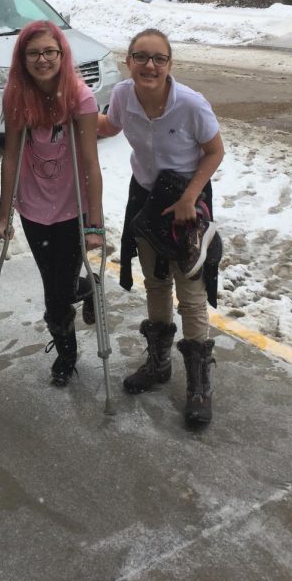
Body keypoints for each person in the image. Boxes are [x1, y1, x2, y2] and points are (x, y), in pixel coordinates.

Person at [97, 28, 225, 426]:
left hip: (188, 201)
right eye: (141, 57)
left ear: (170, 65)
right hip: (147, 198)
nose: (149, 66)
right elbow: (109, 126)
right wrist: (71, 114)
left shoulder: (190, 104)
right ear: (128, 61)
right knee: (155, 282)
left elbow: (215, 151)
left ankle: (199, 386)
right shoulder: (121, 95)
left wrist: (190, 197)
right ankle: (158, 364)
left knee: (190, 291)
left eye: (159, 59)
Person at [0, 20, 103, 387]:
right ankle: (87, 288)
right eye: (34, 53)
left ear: (62, 54)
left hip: (72, 209)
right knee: (54, 282)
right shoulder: (15, 95)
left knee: (57, 295)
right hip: (33, 208)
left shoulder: (80, 97)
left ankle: (66, 353)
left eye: (49, 52)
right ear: (22, 58)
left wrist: (94, 224)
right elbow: (10, 157)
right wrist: (1, 215)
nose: (42, 60)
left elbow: (89, 162)